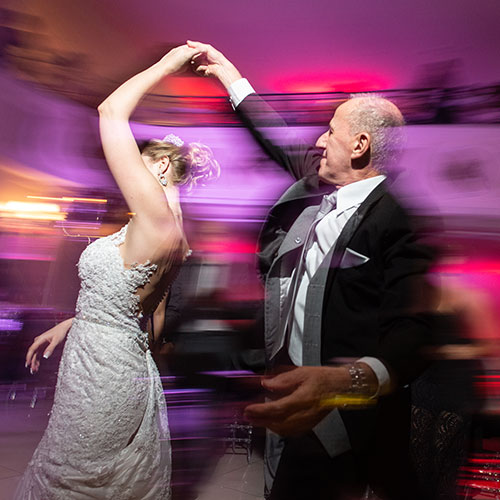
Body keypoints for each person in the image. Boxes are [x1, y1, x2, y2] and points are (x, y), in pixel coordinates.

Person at [188, 41, 436, 500]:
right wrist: (229, 77)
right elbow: (274, 135)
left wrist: (345, 381)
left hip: (345, 424)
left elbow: (413, 332)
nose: (319, 140)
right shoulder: (318, 180)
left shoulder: (400, 221)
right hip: (290, 410)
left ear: (360, 145)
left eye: (330, 130)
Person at [15, 44, 220, 499]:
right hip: (119, 361)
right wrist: (77, 322)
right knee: (88, 477)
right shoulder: (175, 234)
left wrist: (168, 65)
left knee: (70, 477)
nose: (125, 171)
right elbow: (146, 317)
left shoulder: (155, 221)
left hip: (100, 373)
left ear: (162, 166)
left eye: (141, 160)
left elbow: (110, 111)